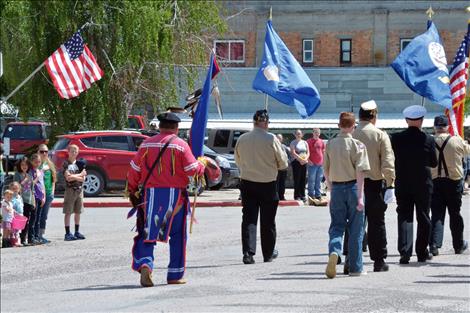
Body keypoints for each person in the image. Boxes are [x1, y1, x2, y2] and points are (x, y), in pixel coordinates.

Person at [127, 112, 205, 287]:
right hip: (175, 199)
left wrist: (132, 190)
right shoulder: (180, 145)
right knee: (178, 236)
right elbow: (193, 169)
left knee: (147, 234)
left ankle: (146, 263)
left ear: (160, 126)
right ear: (176, 128)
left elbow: (133, 170)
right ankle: (175, 274)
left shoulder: (146, 144)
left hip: (151, 198)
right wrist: (202, 164)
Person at [235, 110, 288, 265]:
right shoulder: (271, 139)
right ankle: (268, 253)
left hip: (247, 182)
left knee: (249, 219)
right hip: (268, 183)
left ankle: (248, 253)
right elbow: (283, 163)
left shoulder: (243, 138)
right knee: (268, 221)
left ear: (254, 122)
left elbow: (237, 160)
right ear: (265, 122)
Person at [323, 112, 370, 278]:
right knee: (356, 229)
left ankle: (334, 252)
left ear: (339, 126)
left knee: (336, 225)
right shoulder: (358, 145)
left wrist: (330, 188)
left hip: (336, 188)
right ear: (353, 127)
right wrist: (360, 196)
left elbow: (325, 169)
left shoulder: (330, 144)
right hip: (352, 187)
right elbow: (360, 171)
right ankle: (356, 267)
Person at [351, 100, 395, 272]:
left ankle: (351, 259)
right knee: (377, 223)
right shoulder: (380, 135)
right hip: (375, 184)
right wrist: (390, 182)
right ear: (374, 116)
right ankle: (378, 260)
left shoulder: (351, 134)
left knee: (353, 223)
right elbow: (387, 162)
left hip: (353, 183)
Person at [391, 105, 437, 264]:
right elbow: (433, 162)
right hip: (423, 183)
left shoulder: (396, 138)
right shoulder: (428, 139)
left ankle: (405, 251)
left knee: (404, 215)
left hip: (403, 181)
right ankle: (422, 251)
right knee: (424, 217)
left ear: (406, 120)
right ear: (422, 120)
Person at [429, 115, 470, 256]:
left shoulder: (429, 141)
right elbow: (468, 151)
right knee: (455, 214)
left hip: (435, 181)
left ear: (435, 127)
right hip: (454, 182)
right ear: (447, 127)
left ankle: (434, 244)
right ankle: (458, 245)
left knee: (437, 214)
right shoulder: (456, 140)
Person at [62, 145, 87, 241]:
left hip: (79, 189)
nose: (74, 153)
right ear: (68, 152)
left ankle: (77, 231)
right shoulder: (66, 164)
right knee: (68, 211)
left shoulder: (80, 164)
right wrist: (80, 175)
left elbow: (83, 179)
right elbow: (68, 177)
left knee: (78, 211)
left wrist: (75, 176)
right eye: (72, 151)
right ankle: (67, 233)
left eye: (75, 151)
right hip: (70, 190)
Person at [36, 144, 56, 243]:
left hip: (48, 194)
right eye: (42, 151)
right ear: (38, 152)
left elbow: (53, 179)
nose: (44, 153)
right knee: (37, 215)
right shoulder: (37, 165)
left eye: (46, 151)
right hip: (38, 195)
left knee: (44, 215)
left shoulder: (50, 165)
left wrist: (52, 191)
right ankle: (34, 235)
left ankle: (41, 235)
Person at [14, 157, 35, 246]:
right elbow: (16, 187)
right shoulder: (17, 174)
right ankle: (21, 239)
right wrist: (24, 180)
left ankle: (27, 238)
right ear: (19, 165)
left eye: (26, 165)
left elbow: (32, 190)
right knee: (22, 221)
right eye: (22, 165)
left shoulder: (30, 175)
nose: (24, 166)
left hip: (30, 200)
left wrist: (33, 202)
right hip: (22, 201)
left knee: (29, 221)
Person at [306, 128, 326, 204]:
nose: (317, 134)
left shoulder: (321, 142)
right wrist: (308, 160)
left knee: (319, 180)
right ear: (313, 133)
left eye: (318, 133)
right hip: (312, 164)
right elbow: (306, 152)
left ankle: (318, 195)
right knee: (311, 180)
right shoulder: (308, 141)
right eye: (316, 132)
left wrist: (324, 161)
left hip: (320, 164)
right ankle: (311, 195)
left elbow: (323, 151)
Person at [29, 153, 45, 244]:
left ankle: (37, 236)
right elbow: (31, 184)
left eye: (39, 162)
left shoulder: (40, 171)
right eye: (35, 162)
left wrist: (43, 197)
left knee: (38, 218)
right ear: (31, 162)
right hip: (33, 197)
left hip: (40, 196)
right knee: (33, 218)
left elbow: (42, 185)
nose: (37, 163)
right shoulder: (30, 171)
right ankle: (31, 237)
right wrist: (37, 177)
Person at [290, 129, 309, 201]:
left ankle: (302, 195)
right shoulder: (293, 142)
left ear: (302, 135)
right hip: (296, 162)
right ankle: (297, 195)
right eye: (297, 134)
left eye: (299, 134)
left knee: (303, 179)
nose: (298, 135)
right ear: (295, 135)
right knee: (297, 179)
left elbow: (308, 152)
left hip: (304, 162)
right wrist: (300, 159)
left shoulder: (305, 142)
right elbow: (293, 152)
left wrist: (305, 159)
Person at [276, 134, 290, 201]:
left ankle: (282, 196)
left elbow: (289, 156)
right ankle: (276, 196)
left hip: (284, 168)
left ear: (282, 139)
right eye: (277, 138)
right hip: (276, 168)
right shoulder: (274, 146)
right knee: (276, 183)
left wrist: (287, 163)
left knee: (282, 183)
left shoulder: (284, 147)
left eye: (280, 138)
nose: (278, 139)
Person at [10, 182, 24, 247]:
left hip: (20, 216)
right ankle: (13, 241)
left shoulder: (19, 197)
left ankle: (18, 241)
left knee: (18, 230)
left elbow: (21, 206)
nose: (15, 190)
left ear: (19, 189)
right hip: (13, 216)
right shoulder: (10, 197)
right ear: (10, 189)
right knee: (13, 230)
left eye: (16, 188)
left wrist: (22, 214)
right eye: (13, 189)